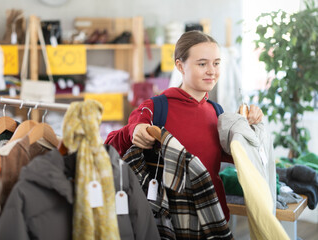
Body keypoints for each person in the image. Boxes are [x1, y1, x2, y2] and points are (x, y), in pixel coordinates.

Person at [105, 30, 264, 221]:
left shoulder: (217, 111)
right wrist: (135, 130)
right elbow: (113, 142)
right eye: (202, 64)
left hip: (212, 214)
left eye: (216, 63)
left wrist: (246, 127)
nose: (211, 71)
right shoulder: (155, 107)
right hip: (169, 218)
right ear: (180, 66)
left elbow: (231, 155)